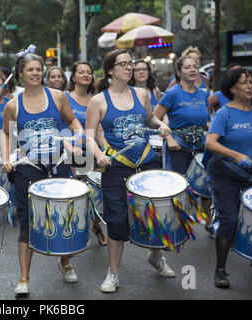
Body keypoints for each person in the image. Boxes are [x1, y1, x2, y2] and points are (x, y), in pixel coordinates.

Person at [85, 49, 173, 293]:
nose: (129, 68)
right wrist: (100, 155)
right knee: (116, 220)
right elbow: (89, 135)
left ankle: (156, 256)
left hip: (146, 161)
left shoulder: (143, 94)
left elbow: (149, 121)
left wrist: (161, 126)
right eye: (123, 64)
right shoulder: (99, 101)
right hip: (116, 165)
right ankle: (112, 273)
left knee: (153, 211)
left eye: (130, 64)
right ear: (111, 70)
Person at [0, 50, 84, 296]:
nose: (35, 73)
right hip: (28, 168)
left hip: (58, 164)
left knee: (65, 213)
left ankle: (65, 261)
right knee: (27, 221)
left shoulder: (58, 97)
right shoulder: (13, 105)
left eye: (38, 69)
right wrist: (6, 158)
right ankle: (24, 277)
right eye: (30, 70)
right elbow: (5, 133)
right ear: (21, 74)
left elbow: (72, 122)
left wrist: (77, 134)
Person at [205, 67, 252, 287]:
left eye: (251, 82)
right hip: (224, 172)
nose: (249, 86)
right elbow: (210, 143)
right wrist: (236, 154)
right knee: (229, 219)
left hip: (251, 172)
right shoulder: (225, 113)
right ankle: (220, 270)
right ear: (232, 88)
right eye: (244, 82)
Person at [154, 56, 213, 235]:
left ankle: (209, 222)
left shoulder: (203, 94)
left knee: (204, 185)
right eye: (187, 67)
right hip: (178, 145)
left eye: (195, 67)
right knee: (179, 186)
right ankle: (177, 223)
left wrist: (214, 132)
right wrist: (168, 137)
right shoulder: (172, 93)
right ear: (179, 71)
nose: (193, 70)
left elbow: (205, 120)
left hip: (201, 146)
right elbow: (154, 118)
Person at [65, 61, 108, 246]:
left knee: (98, 191)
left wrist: (105, 148)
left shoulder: (96, 99)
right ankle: (75, 232)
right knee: (77, 195)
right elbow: (59, 125)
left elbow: (97, 129)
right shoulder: (64, 98)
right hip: (71, 153)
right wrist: (69, 147)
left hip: (92, 151)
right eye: (81, 72)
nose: (85, 75)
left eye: (88, 72)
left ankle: (96, 225)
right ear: (73, 77)